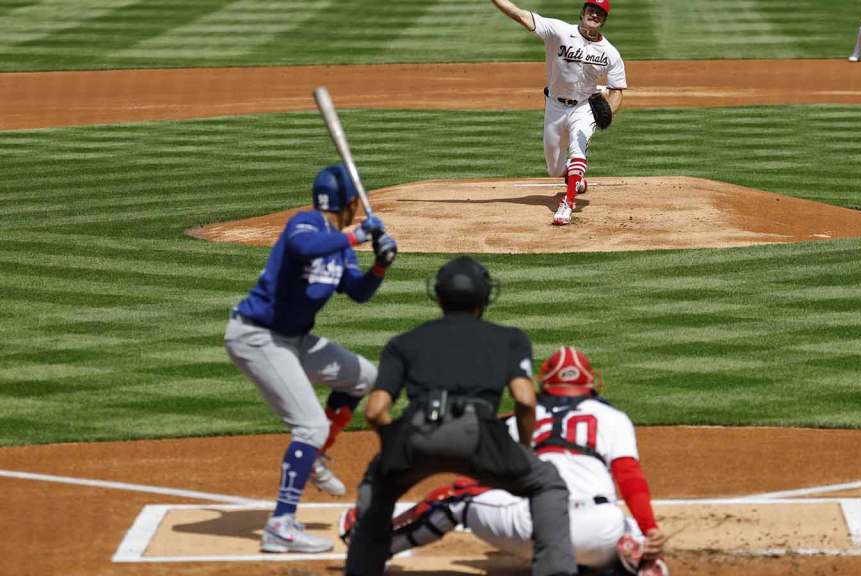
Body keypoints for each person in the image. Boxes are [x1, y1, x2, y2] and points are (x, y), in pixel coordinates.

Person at [342, 346, 669, 576]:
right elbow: (629, 475)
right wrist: (650, 528)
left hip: (529, 527)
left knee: (458, 495)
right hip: (598, 531)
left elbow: (482, 475)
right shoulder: (613, 417)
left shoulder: (518, 420)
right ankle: (631, 556)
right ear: (589, 383)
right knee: (621, 522)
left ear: (545, 385)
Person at [343, 256, 577, 576]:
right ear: (484, 299)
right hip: (478, 433)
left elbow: (375, 411)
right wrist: (523, 449)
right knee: (546, 484)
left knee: (377, 487)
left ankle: (360, 571)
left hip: (416, 431)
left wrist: (396, 441)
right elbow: (524, 400)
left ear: (438, 297)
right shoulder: (509, 338)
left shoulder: (404, 342)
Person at [224, 163, 398, 553]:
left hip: (294, 341)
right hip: (257, 337)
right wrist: (357, 235)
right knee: (308, 425)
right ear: (350, 204)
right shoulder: (305, 226)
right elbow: (304, 249)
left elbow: (357, 291)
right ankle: (280, 525)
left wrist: (381, 265)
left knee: (364, 377)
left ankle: (316, 456)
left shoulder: (337, 243)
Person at [490, 0, 627, 226]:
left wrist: (608, 112)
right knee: (554, 168)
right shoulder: (559, 31)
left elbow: (617, 91)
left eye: (600, 13)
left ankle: (568, 204)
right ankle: (574, 179)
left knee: (577, 148)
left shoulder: (610, 53)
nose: (594, 15)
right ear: (583, 12)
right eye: (591, 10)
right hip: (555, 106)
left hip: (584, 107)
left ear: (604, 20)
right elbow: (518, 14)